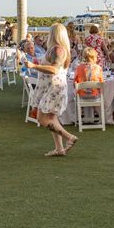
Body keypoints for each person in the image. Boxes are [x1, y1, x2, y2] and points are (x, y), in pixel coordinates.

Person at [24, 23, 78, 157]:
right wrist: (35, 61)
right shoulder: (57, 49)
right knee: (52, 118)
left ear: (54, 34)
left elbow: (54, 69)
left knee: (41, 118)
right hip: (51, 87)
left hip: (54, 88)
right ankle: (59, 149)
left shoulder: (58, 49)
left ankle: (69, 137)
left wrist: (34, 66)